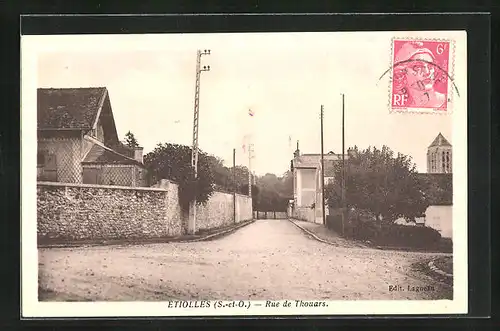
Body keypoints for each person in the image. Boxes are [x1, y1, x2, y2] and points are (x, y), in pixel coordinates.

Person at [393, 41, 446, 109]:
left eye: (431, 66)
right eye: (417, 67)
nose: (427, 72)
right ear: (401, 73)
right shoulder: (407, 109)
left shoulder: (448, 102)